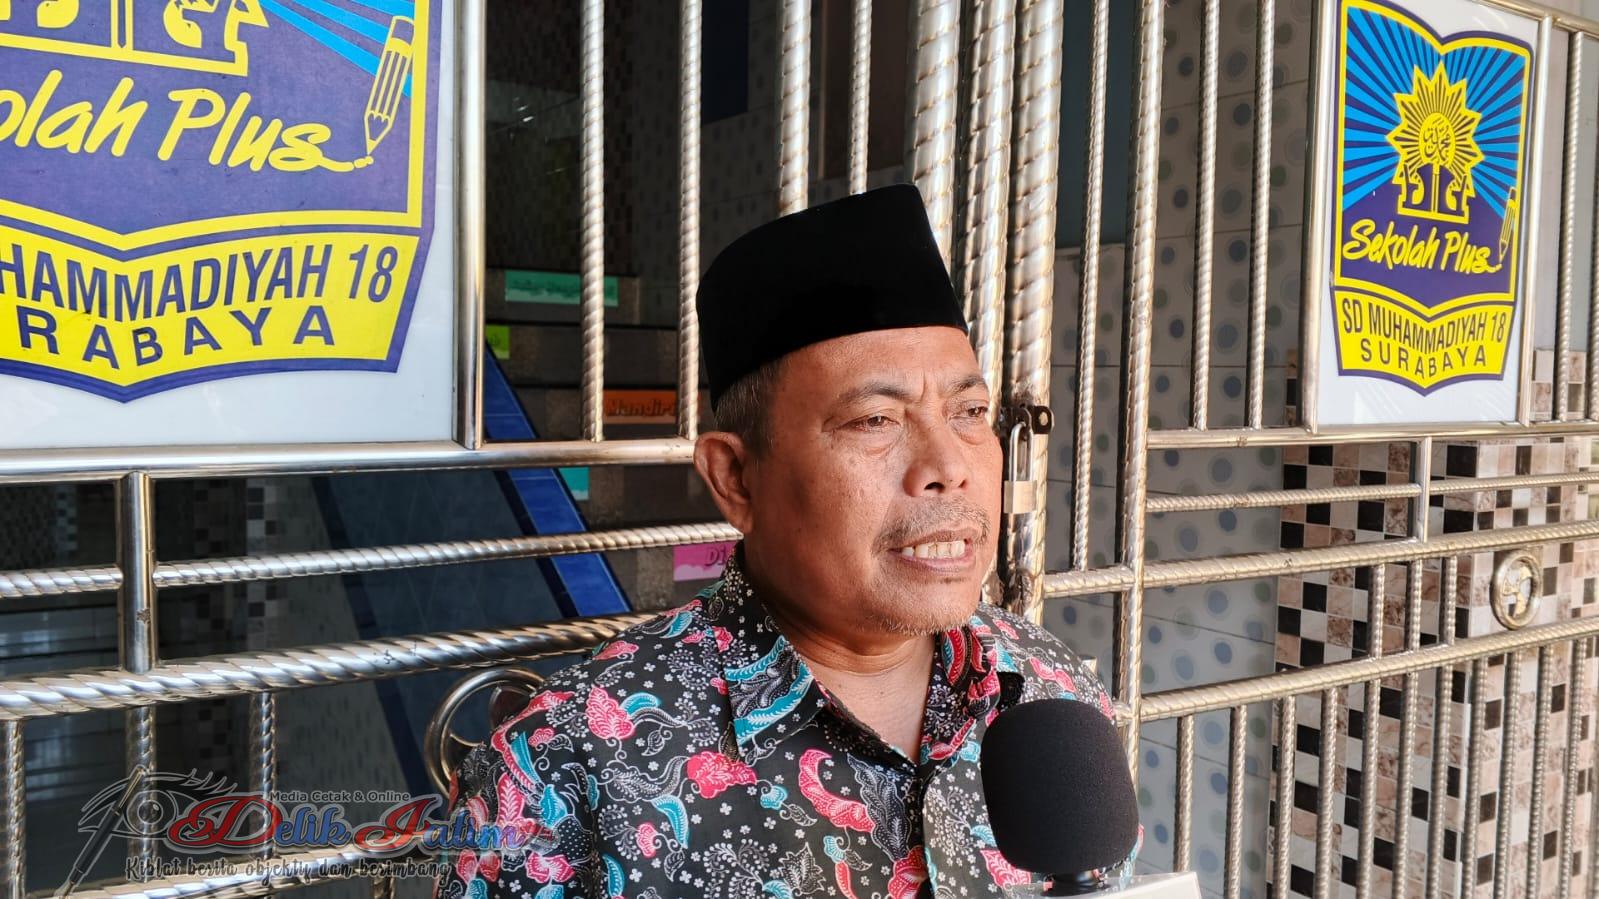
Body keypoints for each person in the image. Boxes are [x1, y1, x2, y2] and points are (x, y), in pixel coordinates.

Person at [432, 184, 1134, 899]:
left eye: (970, 411)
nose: (949, 467)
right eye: (874, 420)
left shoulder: (1050, 689)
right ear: (736, 478)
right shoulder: (557, 768)